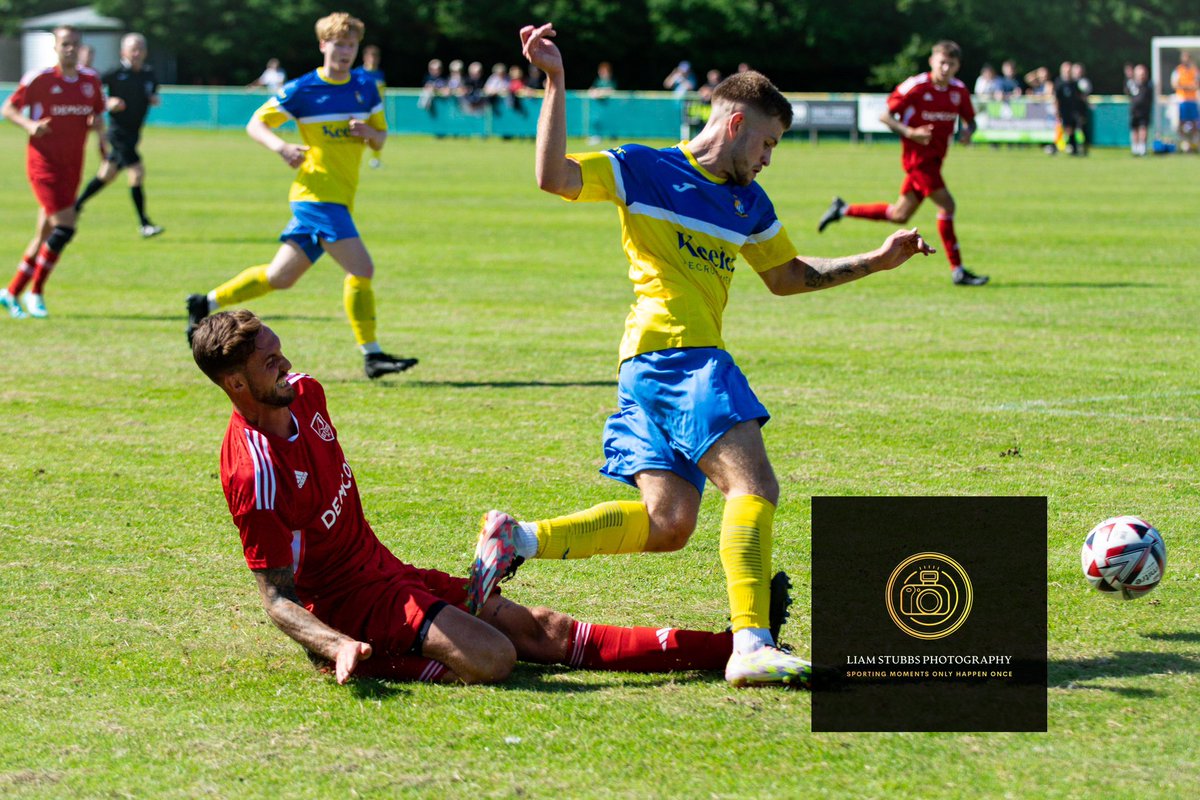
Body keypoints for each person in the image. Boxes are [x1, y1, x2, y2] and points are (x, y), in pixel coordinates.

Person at [467, 22, 935, 689]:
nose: (770, 158)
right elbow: (553, 176)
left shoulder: (748, 202)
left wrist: (876, 261)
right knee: (754, 486)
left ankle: (518, 540)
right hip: (682, 358)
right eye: (768, 142)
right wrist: (555, 81)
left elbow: (788, 275)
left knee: (668, 523)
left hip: (644, 370)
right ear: (736, 121)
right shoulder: (642, 167)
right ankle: (751, 644)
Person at [192, 309, 799, 686]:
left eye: (281, 348)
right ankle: (362, 657)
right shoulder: (255, 475)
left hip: (385, 572)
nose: (289, 365)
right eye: (273, 362)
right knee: (495, 658)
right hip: (349, 605)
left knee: (547, 632)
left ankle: (737, 645)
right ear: (237, 384)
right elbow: (276, 599)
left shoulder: (307, 394)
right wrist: (335, 641)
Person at [185, 12, 416, 380]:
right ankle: (372, 355)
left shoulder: (366, 88)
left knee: (280, 277)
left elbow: (381, 137)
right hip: (315, 196)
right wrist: (281, 147)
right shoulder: (304, 89)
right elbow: (256, 123)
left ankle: (205, 302)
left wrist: (368, 134)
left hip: (339, 196)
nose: (344, 52)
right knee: (362, 269)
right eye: (338, 44)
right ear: (323, 45)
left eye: (351, 45)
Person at [816, 41, 985, 287]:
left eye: (951, 63)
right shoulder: (915, 86)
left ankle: (842, 209)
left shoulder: (958, 90)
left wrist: (969, 132)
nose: (946, 67)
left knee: (899, 215)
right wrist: (910, 132)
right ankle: (957, 270)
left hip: (935, 163)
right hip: (918, 162)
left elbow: (971, 121)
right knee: (948, 206)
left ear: (958, 65)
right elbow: (885, 115)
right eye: (942, 62)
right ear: (932, 61)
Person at [0, 25, 106, 320]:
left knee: (43, 233)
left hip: (72, 165)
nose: (69, 49)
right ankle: (36, 293)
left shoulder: (90, 81)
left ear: (79, 46)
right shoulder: (40, 79)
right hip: (43, 165)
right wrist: (30, 125)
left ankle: (11, 292)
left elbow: (97, 116)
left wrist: (103, 145)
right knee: (65, 228)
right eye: (64, 44)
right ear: (55, 48)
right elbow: (8, 108)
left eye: (74, 44)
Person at [74, 33, 165, 238]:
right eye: (132, 49)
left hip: (134, 134)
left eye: (140, 48)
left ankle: (75, 206)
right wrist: (107, 103)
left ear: (146, 52)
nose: (136, 53)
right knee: (137, 172)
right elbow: (89, 91)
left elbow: (151, 91)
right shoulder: (114, 74)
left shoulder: (149, 74)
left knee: (106, 175)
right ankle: (144, 223)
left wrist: (152, 98)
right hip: (117, 134)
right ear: (123, 51)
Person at [353, 45, 385, 168]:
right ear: (365, 58)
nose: (373, 59)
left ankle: (376, 161)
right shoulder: (358, 73)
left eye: (376, 57)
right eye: (371, 56)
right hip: (362, 110)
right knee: (359, 136)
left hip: (376, 110)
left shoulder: (380, 74)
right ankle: (356, 158)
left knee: (378, 134)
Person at [1052, 60, 1085, 155]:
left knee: (1075, 128)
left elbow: (1079, 96)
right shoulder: (1059, 82)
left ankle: (1074, 147)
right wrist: (1057, 110)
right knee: (1065, 128)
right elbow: (1056, 98)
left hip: (1074, 110)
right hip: (1064, 110)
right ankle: (1058, 146)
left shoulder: (1074, 83)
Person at [1170, 52, 1199, 152]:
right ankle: (1184, 143)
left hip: (1192, 100)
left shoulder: (1194, 70)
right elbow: (1175, 84)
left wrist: (1185, 86)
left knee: (1195, 123)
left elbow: (1196, 85)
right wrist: (1188, 87)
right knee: (1181, 123)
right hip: (1182, 100)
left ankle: (1194, 143)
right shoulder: (1178, 70)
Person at [1128, 64, 1152, 157]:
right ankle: (1135, 148)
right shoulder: (1132, 84)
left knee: (1143, 128)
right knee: (1134, 129)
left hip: (1144, 111)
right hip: (1134, 111)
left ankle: (1142, 148)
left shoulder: (1148, 85)